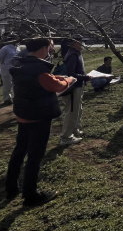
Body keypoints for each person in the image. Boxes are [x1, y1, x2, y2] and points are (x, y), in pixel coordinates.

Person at [5, 38, 77, 206]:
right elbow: (55, 86)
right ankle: (30, 195)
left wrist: (58, 77)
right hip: (38, 117)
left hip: (23, 114)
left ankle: (11, 187)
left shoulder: (21, 64)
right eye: (50, 47)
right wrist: (69, 80)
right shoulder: (39, 69)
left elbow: (45, 79)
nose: (51, 50)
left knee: (19, 150)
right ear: (43, 48)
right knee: (35, 156)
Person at [60, 35, 88, 145]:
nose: (82, 44)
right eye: (80, 42)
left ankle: (75, 129)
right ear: (74, 44)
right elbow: (71, 74)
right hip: (73, 88)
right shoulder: (72, 55)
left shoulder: (77, 53)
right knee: (71, 111)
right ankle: (66, 137)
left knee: (78, 110)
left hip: (79, 86)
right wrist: (86, 77)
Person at [0, 36, 18, 104]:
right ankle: (7, 99)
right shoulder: (5, 48)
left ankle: (14, 97)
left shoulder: (17, 48)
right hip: (7, 68)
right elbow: (0, 58)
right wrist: (5, 64)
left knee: (15, 84)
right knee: (7, 84)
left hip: (16, 68)